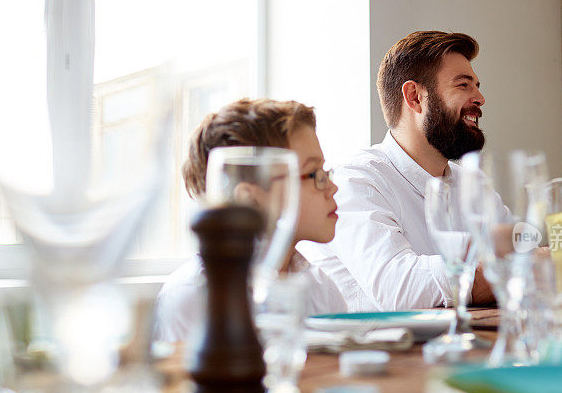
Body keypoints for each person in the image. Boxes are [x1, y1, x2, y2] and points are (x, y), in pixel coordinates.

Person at [299, 30, 505, 311]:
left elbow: (522, 252)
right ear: (414, 97)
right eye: (463, 85)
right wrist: (513, 268)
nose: (480, 97)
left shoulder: (474, 185)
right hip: (378, 353)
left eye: (477, 85)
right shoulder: (356, 181)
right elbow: (399, 288)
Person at [154, 98, 346, 342]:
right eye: (314, 174)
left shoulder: (321, 291)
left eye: (326, 172)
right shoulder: (192, 298)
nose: (332, 187)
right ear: (249, 198)